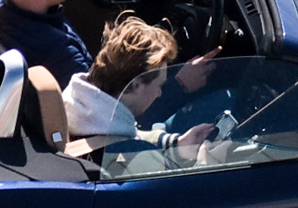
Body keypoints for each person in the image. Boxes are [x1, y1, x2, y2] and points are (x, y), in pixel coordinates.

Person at [63, 15, 224, 165]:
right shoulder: (134, 157)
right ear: (137, 84)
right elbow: (184, 194)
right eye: (159, 85)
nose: (160, 93)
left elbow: (127, 134)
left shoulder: (72, 110)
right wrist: (205, 162)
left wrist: (177, 145)